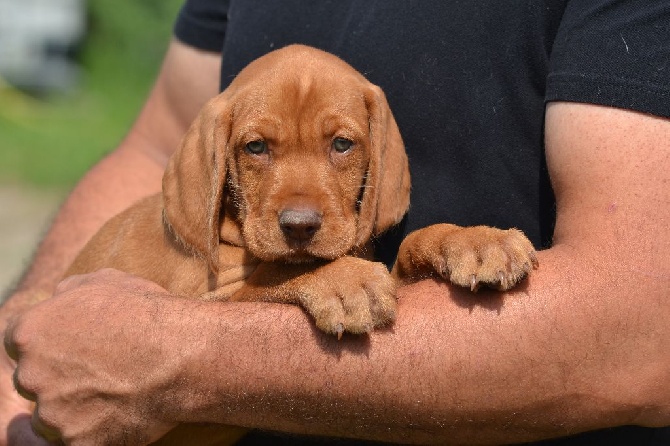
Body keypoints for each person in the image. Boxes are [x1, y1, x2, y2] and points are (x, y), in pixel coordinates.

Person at [2, 0, 669, 444]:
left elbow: (643, 328)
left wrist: (436, 243)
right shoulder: (209, 213)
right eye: (258, 150)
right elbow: (156, 146)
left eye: (340, 146)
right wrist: (12, 380)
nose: (299, 209)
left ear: (375, 149)